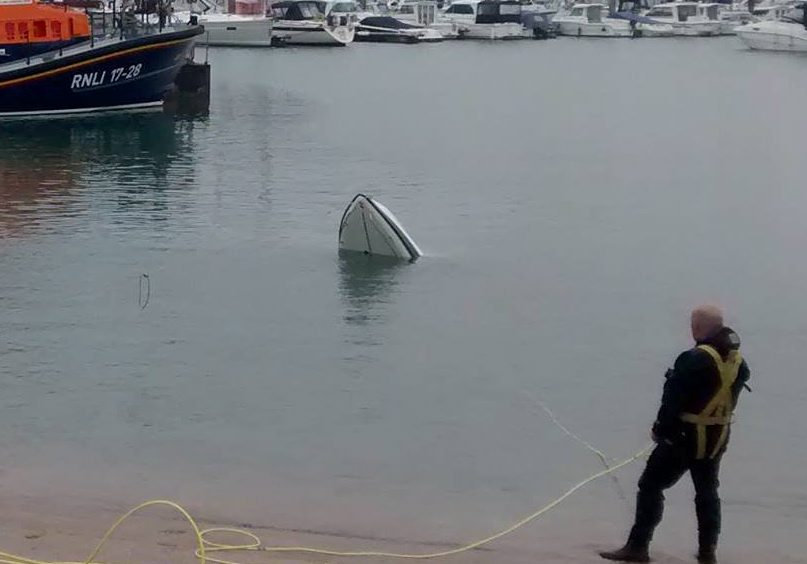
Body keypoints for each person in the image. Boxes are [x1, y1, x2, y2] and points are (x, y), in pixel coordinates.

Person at [600, 305, 751, 564]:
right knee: (707, 492)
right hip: (716, 439)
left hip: (684, 438)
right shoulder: (738, 362)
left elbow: (672, 400)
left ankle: (637, 547)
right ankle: (707, 553)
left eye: (693, 324)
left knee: (650, 485)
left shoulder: (693, 359)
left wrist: (661, 431)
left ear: (698, 328)